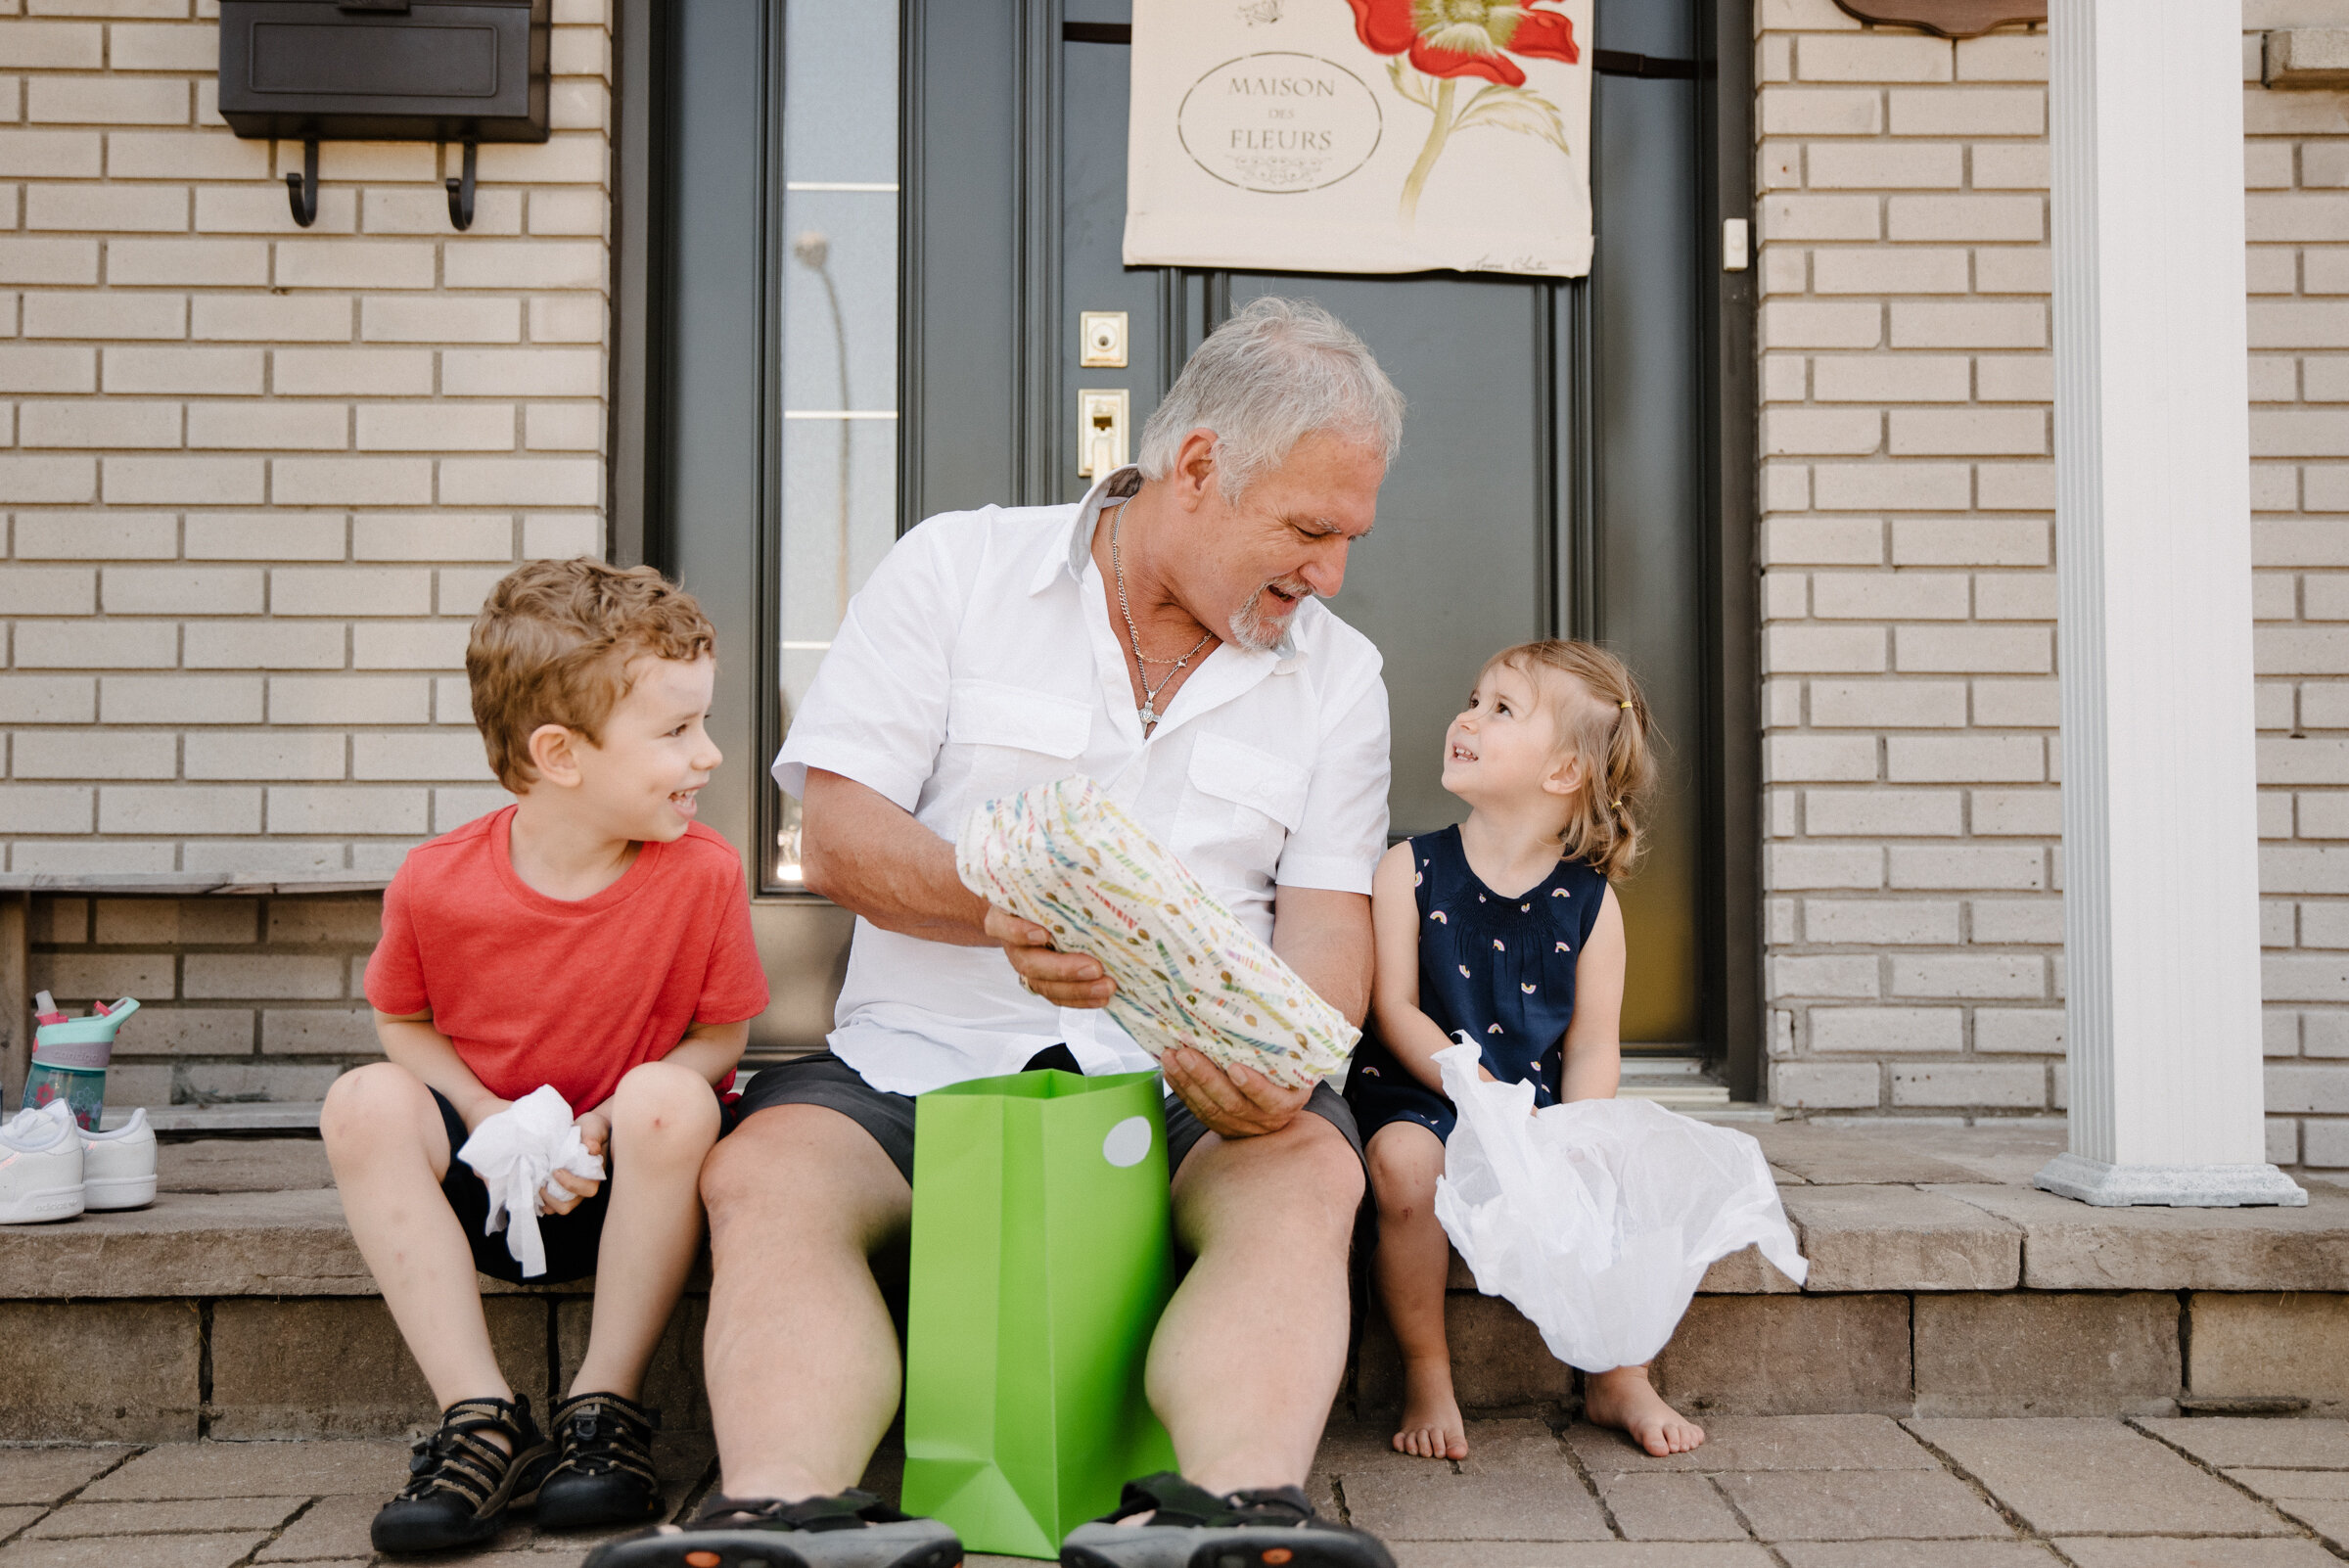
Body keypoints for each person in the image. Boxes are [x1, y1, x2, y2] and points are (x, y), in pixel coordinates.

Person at [589, 299, 1403, 1568]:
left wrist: (1284, 1066)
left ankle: (1233, 1521)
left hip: (1186, 1086)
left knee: (1311, 1173)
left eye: (1350, 536)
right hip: (918, 1055)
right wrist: (1003, 910)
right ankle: (780, 1520)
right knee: (766, 1175)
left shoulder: (1340, 672)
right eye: (1307, 529)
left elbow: (1328, 924)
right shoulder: (956, 569)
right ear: (1195, 466)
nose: (1330, 573)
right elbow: (844, 837)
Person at [324, 560, 771, 1553]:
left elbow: (721, 1038)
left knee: (672, 1095)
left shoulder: (703, 875)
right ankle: (481, 1420)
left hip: (632, 1187)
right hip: (487, 1185)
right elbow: (402, 1023)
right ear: (562, 754)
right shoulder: (437, 883)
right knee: (363, 1102)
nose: (709, 754)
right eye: (675, 731)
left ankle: (601, 1412)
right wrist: (483, 1116)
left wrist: (605, 1123)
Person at [1347, 639, 1706, 1461]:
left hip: (1532, 1105)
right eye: (1474, 699)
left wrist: (1578, 1135)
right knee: (1404, 1166)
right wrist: (1463, 1082)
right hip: (1424, 1093)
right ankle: (1428, 1371)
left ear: (1563, 772)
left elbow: (1591, 1048)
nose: (1467, 717)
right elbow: (1393, 1004)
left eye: (1501, 709)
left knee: (1615, 1169)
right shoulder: (1408, 871)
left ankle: (1619, 1376)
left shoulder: (1589, 904)